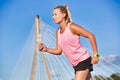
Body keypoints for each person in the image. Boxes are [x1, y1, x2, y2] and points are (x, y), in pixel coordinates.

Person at [38, 5, 99, 80]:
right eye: (52, 15)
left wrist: (96, 55)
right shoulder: (58, 32)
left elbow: (91, 36)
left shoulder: (72, 27)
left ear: (63, 15)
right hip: (75, 65)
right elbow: (58, 51)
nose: (53, 17)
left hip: (83, 60)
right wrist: (46, 49)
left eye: (55, 14)